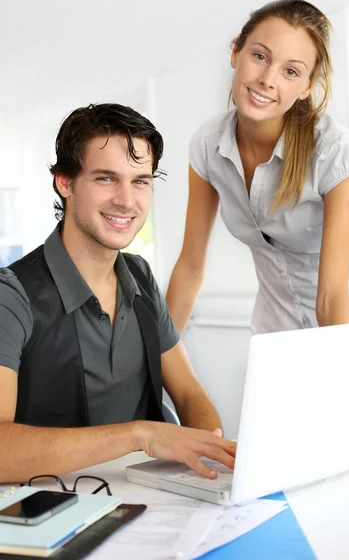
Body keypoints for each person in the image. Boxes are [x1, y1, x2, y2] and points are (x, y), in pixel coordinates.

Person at [166, 0, 349, 470]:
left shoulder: (334, 152)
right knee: (280, 469)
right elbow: (191, 265)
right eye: (260, 56)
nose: (268, 80)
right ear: (236, 52)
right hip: (276, 333)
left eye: (291, 71)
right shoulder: (208, 147)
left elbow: (333, 294)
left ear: (307, 86)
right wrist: (156, 355)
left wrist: (348, 418)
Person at [0, 103, 236, 483]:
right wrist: (143, 435)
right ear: (65, 183)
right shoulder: (10, 294)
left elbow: (190, 392)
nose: (127, 201)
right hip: (55, 512)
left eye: (140, 181)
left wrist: (210, 453)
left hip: (151, 502)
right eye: (107, 179)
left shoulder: (140, 276)